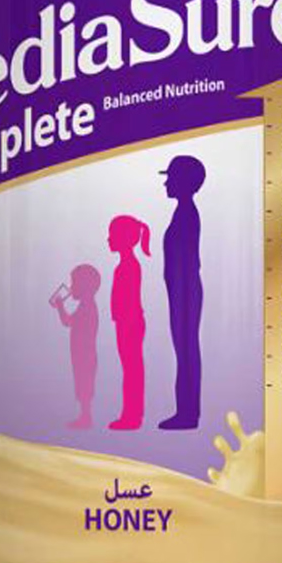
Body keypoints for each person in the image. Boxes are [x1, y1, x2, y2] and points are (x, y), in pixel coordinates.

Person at [158, 155, 206, 430]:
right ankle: (187, 412)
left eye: (170, 178)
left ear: (183, 181)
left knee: (186, 350)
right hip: (181, 290)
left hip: (184, 291)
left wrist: (179, 293)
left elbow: (185, 261)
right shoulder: (183, 212)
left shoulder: (186, 214)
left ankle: (187, 414)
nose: (166, 183)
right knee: (185, 350)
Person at [107, 215, 151, 430]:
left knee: (132, 370)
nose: (108, 239)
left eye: (112, 235)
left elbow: (128, 300)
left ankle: (132, 416)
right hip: (126, 322)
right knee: (131, 369)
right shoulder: (126, 265)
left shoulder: (129, 266)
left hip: (129, 323)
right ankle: (131, 414)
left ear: (124, 238)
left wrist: (124, 321)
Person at [50, 264, 101, 429]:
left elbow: (67, 322)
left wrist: (60, 307)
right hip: (83, 355)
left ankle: (86, 418)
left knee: (84, 386)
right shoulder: (87, 306)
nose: (71, 288)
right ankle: (85, 416)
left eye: (74, 283)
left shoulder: (87, 308)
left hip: (85, 356)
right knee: (82, 385)